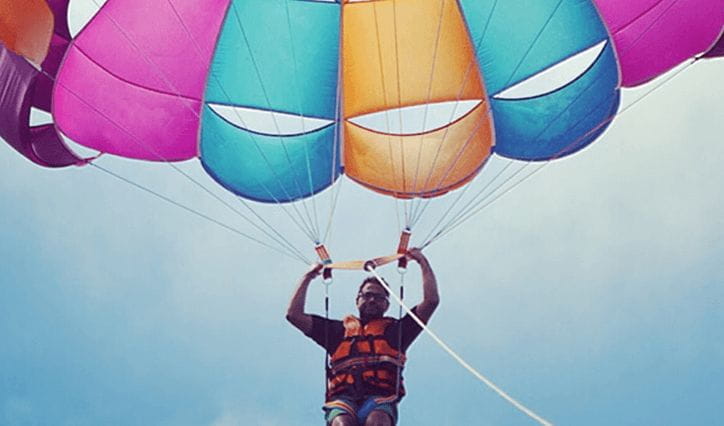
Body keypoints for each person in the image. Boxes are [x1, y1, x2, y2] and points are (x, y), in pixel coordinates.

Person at [286, 248, 439, 426]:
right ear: (358, 300)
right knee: (343, 424)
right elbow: (294, 315)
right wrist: (308, 277)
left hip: (380, 398)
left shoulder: (396, 331)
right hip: (343, 399)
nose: (372, 300)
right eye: (368, 295)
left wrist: (422, 261)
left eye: (379, 297)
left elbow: (431, 301)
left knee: (377, 421)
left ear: (387, 305)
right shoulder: (338, 332)